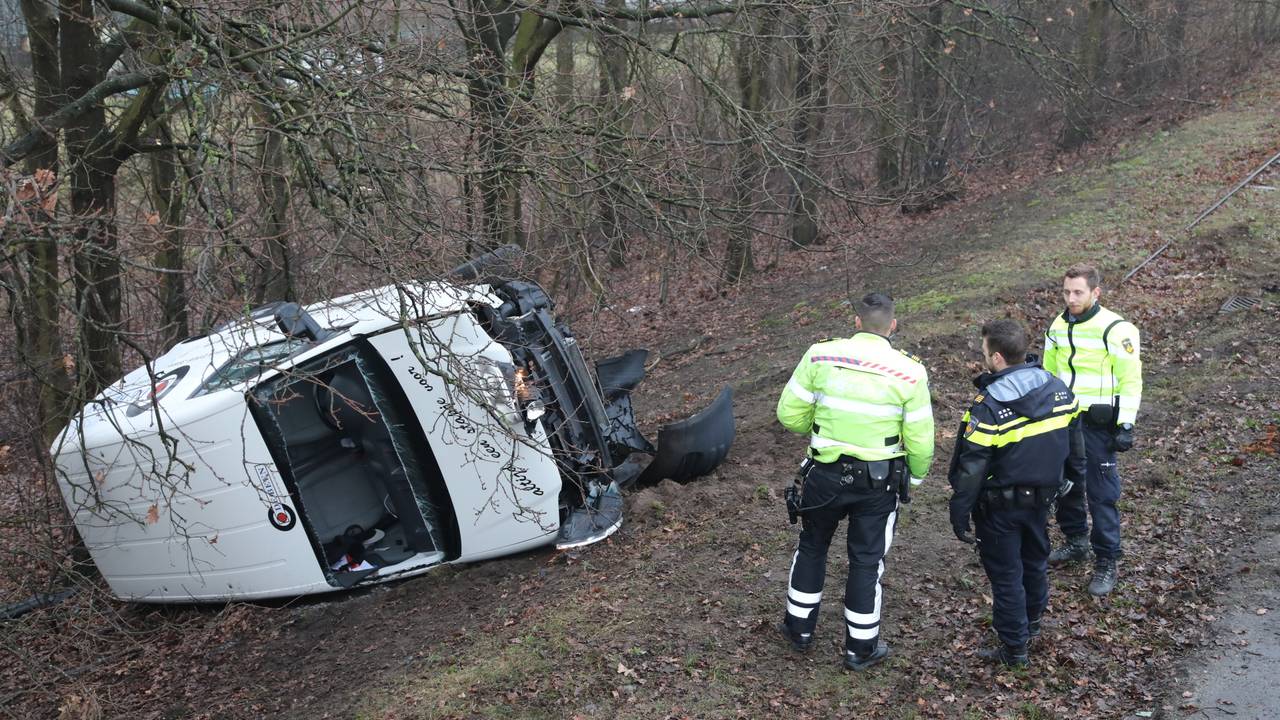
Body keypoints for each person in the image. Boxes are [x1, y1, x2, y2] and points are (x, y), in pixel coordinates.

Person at [775, 292, 934, 671]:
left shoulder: (820, 355)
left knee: (812, 547)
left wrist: (819, 430)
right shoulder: (910, 372)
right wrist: (915, 476)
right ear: (892, 326)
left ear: (857, 322)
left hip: (823, 475)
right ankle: (860, 649)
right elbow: (921, 439)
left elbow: (788, 414)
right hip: (877, 484)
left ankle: (799, 630)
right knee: (866, 562)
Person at [948, 319, 1086, 667]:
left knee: (1007, 575)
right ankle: (1032, 623)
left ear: (996, 357)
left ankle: (1014, 648)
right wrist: (1072, 496)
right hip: (1042, 502)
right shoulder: (1059, 390)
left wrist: (959, 511)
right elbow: (1076, 453)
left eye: (984, 351)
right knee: (1035, 563)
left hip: (999, 510)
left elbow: (971, 467)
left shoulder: (989, 405)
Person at [1042, 264, 1143, 596]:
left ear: (1095, 292)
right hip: (1064, 421)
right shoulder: (1057, 326)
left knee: (1102, 493)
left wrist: (1126, 422)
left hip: (1099, 425)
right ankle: (1076, 541)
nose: (1071, 298)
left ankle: (1107, 559)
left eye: (1078, 292)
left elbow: (1131, 379)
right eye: (1066, 292)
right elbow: (1049, 374)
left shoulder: (1116, 329)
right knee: (1065, 484)